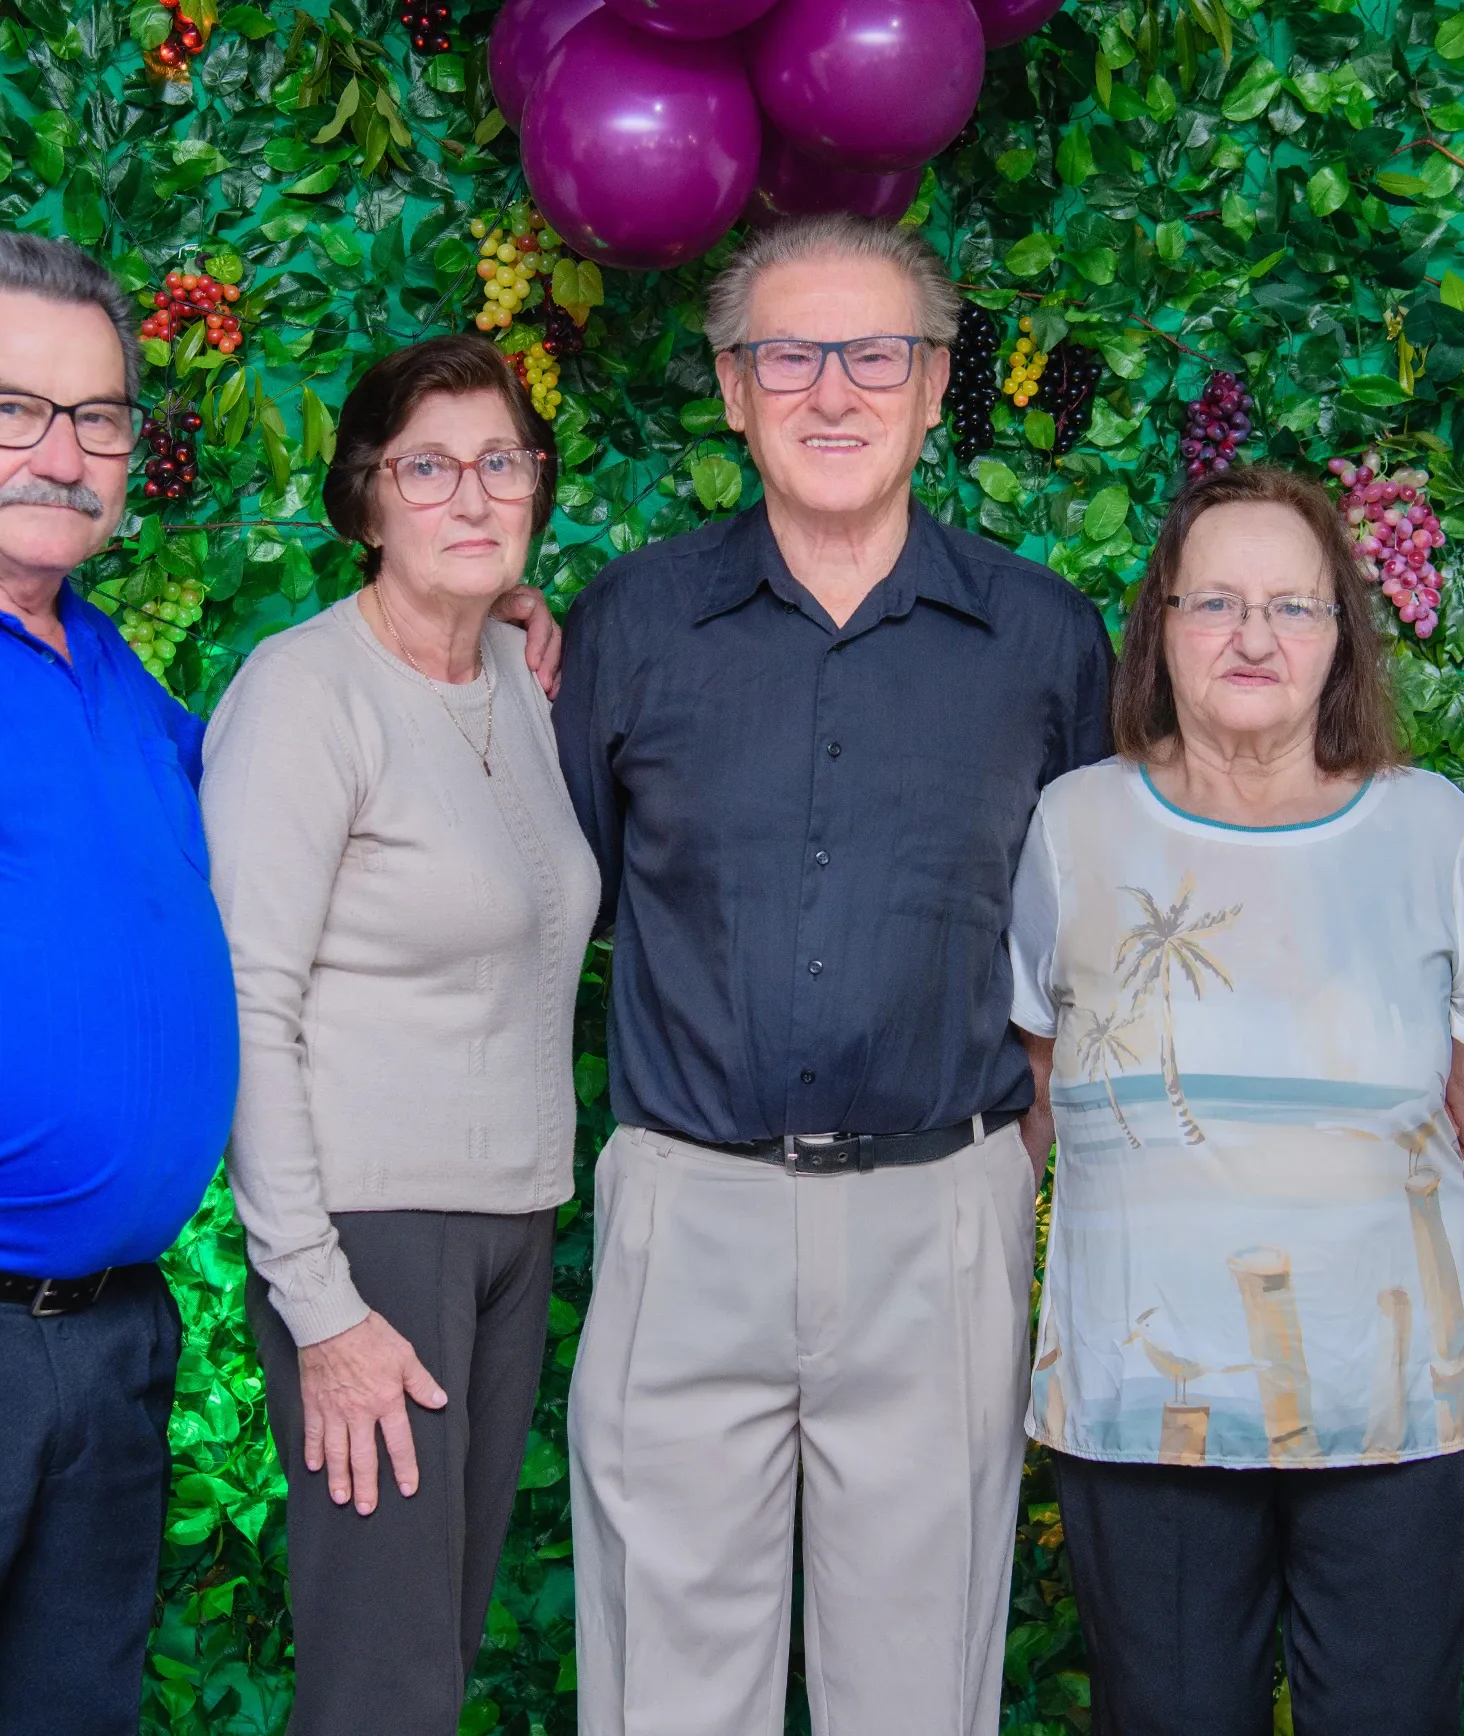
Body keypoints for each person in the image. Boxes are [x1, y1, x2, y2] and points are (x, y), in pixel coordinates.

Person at [0, 232, 563, 1736]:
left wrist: (479, 621)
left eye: (99, 418)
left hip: (107, 1345)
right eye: (11, 408)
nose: (60, 455)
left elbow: (312, 819)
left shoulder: (114, 673)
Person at [553, 213, 1114, 1736]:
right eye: (786, 354)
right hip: (688, 1204)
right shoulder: (630, 624)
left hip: (941, 1212)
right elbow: (558, 902)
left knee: (920, 1690)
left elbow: (1094, 945)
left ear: (936, 387)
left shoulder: (1045, 640)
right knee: (662, 1685)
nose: (832, 389)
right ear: (731, 391)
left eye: (875, 353)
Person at [1006, 463, 1464, 1736]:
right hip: (1144, 1424)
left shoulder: (1425, 828)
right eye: (1216, 604)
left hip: (1400, 1420)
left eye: (1293, 607)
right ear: (1160, 627)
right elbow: (1024, 1113)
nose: (1254, 636)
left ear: (1341, 636)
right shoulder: (1072, 826)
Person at [200, 334, 600, 1735]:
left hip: (508, 1224)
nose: (472, 496)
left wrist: (517, 620)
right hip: (374, 1244)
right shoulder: (304, 693)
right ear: (365, 498)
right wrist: (318, 1301)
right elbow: (249, 998)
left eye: (502, 463)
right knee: (379, 1682)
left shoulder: (511, 672)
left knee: (429, 1663)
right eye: (427, 468)